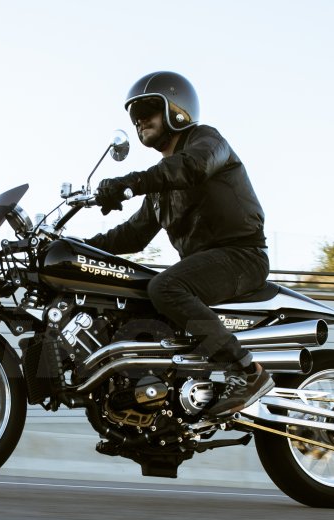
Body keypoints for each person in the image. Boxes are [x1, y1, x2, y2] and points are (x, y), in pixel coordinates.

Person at [88, 71, 274, 419]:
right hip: (207, 264)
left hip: (242, 256)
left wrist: (128, 183)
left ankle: (247, 373)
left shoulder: (206, 142)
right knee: (140, 294)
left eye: (149, 110)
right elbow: (131, 235)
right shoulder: (162, 183)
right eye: (135, 114)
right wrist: (77, 247)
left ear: (177, 109)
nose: (140, 120)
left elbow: (191, 167)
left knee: (166, 286)